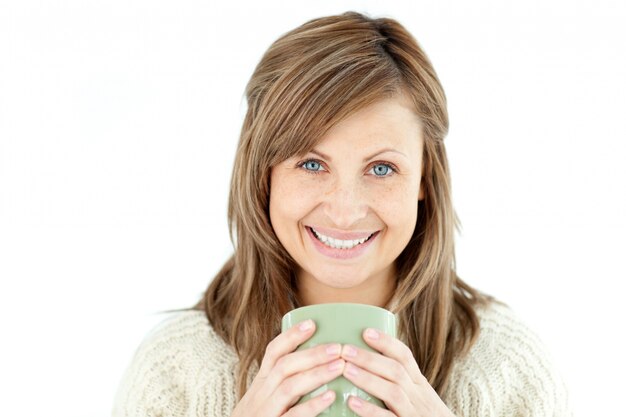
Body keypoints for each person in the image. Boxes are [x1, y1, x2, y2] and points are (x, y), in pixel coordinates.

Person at [112, 10, 572, 417]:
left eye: (382, 167)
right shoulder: (175, 371)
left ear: (424, 181)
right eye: (311, 164)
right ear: (263, 175)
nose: (345, 212)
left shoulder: (508, 369)